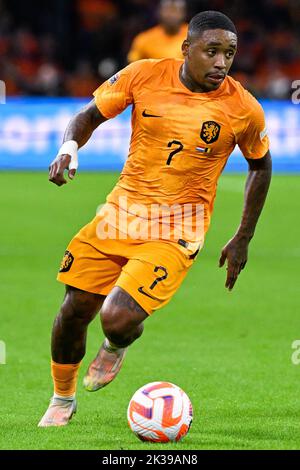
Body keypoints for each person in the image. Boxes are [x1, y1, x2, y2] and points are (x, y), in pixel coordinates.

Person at [38, 10, 272, 427]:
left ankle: (116, 342)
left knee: (117, 318)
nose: (221, 63)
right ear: (187, 49)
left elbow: (261, 166)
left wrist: (243, 236)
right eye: (212, 51)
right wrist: (69, 149)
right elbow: (87, 116)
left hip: (180, 226)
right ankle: (62, 398)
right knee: (74, 310)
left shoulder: (243, 109)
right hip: (119, 213)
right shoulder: (144, 75)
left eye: (230, 54)